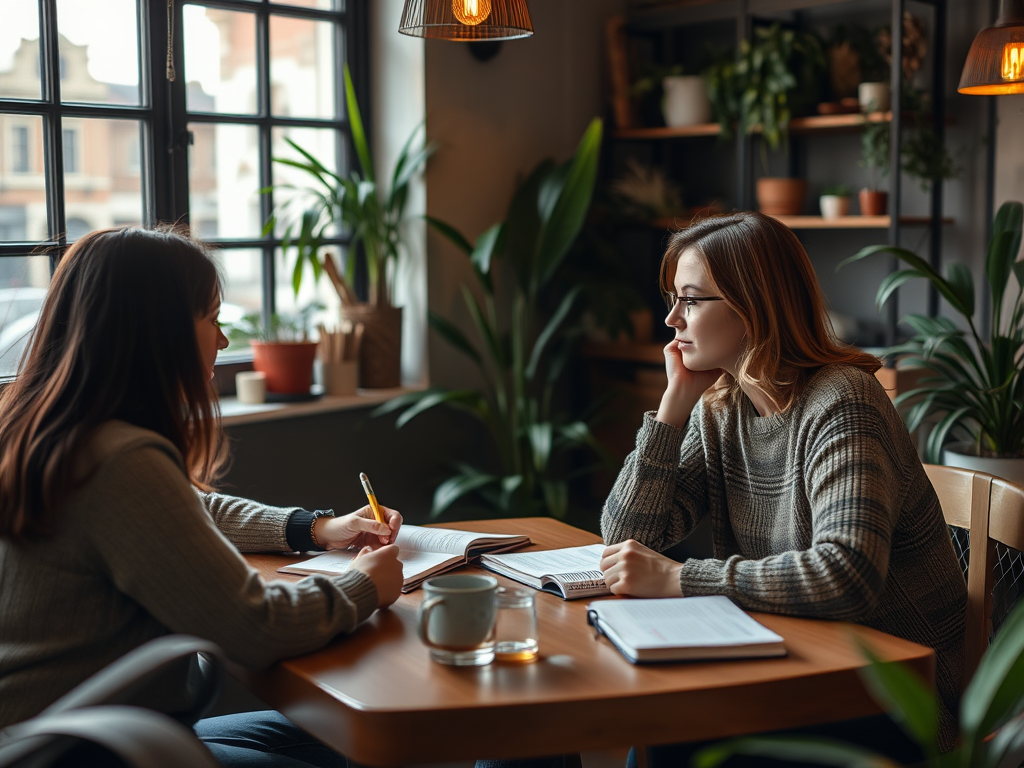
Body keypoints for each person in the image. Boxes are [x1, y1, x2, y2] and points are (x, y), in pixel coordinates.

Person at [0, 226, 405, 768]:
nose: (223, 340)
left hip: (39, 736)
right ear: (159, 331)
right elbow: (255, 628)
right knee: (365, 745)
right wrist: (365, 586)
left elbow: (183, 508)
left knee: (344, 738)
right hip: (90, 751)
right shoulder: (119, 457)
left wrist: (313, 528)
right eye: (211, 319)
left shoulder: (44, 429)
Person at [599, 212, 966, 764]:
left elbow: (847, 575)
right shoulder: (722, 409)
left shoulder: (843, 403)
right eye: (674, 298)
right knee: (665, 723)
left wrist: (680, 578)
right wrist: (672, 410)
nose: (672, 318)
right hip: (790, 663)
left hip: (893, 695)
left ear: (753, 308)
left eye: (692, 300)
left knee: (675, 732)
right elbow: (626, 536)